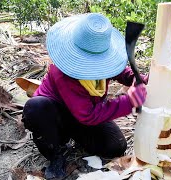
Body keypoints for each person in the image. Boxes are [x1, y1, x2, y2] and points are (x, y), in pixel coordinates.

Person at [22, 13, 148, 179]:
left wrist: (138, 78)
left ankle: (78, 137)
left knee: (115, 146)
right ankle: (55, 154)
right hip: (55, 117)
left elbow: (120, 71)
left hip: (81, 116)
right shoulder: (63, 72)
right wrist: (129, 101)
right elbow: (88, 115)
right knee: (36, 108)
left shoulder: (105, 62)